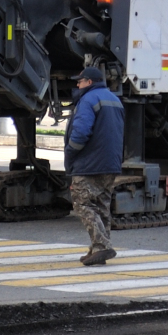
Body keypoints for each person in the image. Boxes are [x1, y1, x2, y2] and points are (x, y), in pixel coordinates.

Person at [64, 66, 125, 267]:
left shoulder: (88, 100)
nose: (77, 84)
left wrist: (71, 152)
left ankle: (102, 246)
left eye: (80, 81)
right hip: (110, 163)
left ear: (89, 82)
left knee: (83, 204)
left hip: (89, 163)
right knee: (101, 206)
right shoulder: (114, 100)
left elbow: (81, 133)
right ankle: (98, 249)